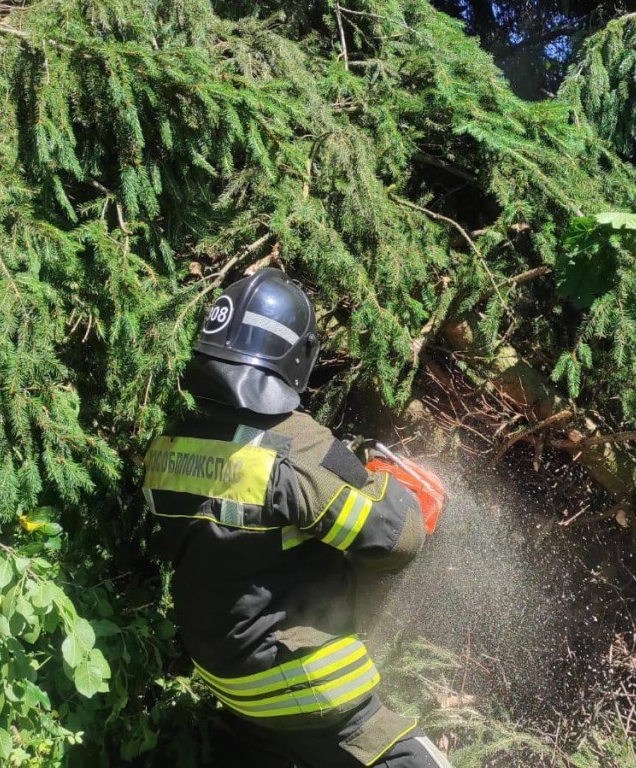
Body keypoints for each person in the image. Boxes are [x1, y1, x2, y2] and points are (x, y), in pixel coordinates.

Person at [142, 268, 453, 768]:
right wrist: (397, 492)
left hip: (228, 678)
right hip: (305, 683)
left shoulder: (170, 445)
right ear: (295, 357)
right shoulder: (296, 444)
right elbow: (397, 541)